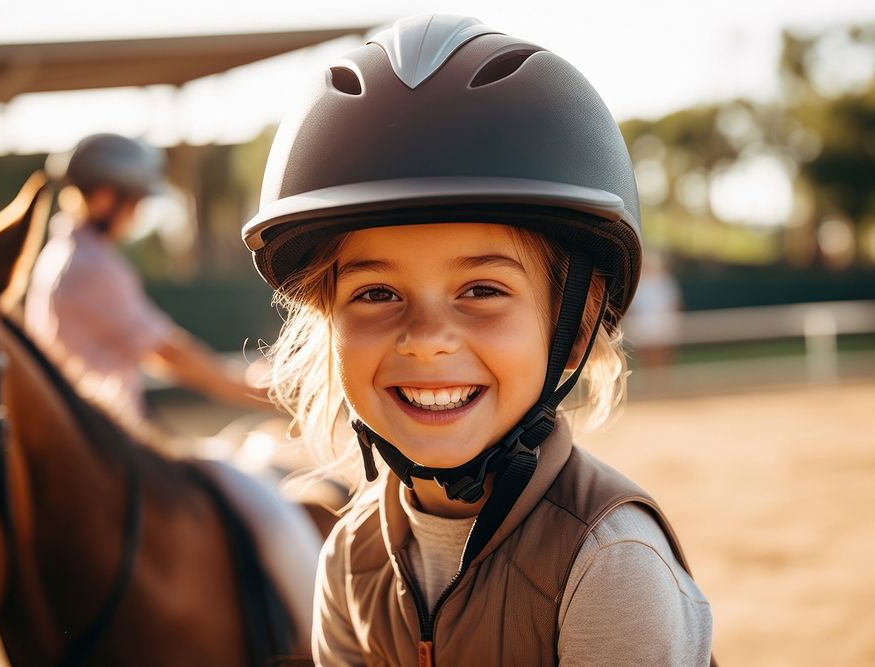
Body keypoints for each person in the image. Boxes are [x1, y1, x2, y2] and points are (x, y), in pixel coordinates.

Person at [242, 15, 713, 665]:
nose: (428, 340)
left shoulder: (609, 568)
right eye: (377, 293)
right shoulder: (351, 561)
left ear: (571, 336)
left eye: (482, 291)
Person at [26, 133, 263, 426]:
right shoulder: (92, 267)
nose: (137, 213)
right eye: (135, 200)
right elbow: (166, 352)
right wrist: (252, 389)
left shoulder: (59, 253)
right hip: (104, 438)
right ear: (104, 198)